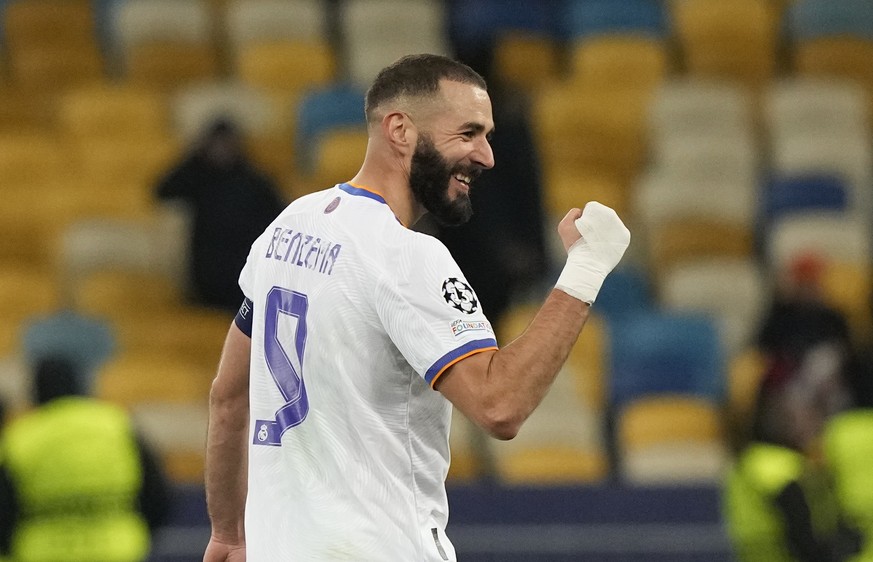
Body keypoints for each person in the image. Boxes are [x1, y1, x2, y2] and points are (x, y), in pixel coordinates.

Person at [203, 54, 630, 561]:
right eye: (468, 133)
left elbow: (229, 397)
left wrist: (228, 532)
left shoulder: (290, 226)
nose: (487, 156)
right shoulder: (407, 256)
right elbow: (500, 405)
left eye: (488, 135)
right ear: (400, 130)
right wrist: (585, 270)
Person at [0, 356, 170, 561]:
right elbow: (158, 493)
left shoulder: (22, 435)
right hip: (118, 551)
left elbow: (4, 505)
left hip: (44, 553)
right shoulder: (117, 424)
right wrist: (136, 533)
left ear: (35, 390)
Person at [723, 343, 863, 562]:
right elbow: (803, 541)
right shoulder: (772, 465)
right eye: (798, 411)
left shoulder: (768, 461)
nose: (810, 419)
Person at [155, 117, 288, 313]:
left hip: (243, 277)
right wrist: (195, 158)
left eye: (226, 143)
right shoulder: (198, 177)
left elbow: (281, 220)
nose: (221, 149)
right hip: (205, 278)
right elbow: (163, 190)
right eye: (215, 144)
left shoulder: (255, 181)